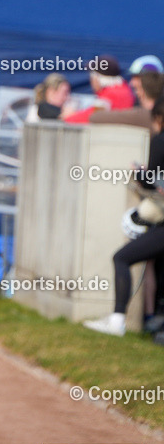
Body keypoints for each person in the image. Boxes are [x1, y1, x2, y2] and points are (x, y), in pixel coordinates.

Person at [85, 95, 164, 338]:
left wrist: (139, 173)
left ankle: (117, 320)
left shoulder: (161, 139)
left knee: (122, 257)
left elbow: (151, 181)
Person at [64, 55, 134, 124]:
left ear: (97, 78)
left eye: (91, 77)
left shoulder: (111, 95)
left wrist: (69, 117)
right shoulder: (123, 89)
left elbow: (94, 116)